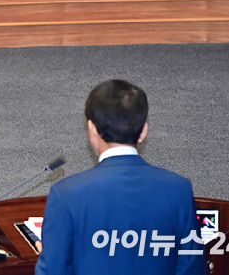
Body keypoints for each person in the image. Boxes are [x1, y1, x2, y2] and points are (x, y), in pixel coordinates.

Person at [35, 80, 206, 275]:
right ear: (143, 131)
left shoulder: (65, 194)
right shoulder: (179, 189)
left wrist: (48, 258)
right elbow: (192, 268)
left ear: (92, 130)